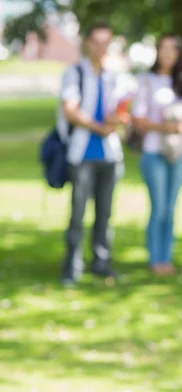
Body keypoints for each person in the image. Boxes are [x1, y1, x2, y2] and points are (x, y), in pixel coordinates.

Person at [59, 21, 128, 287]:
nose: (100, 49)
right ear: (88, 43)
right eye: (96, 43)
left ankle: (101, 262)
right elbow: (70, 110)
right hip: (82, 155)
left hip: (110, 155)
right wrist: (99, 127)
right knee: (77, 214)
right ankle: (71, 267)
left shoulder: (114, 75)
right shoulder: (74, 73)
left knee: (105, 213)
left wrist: (118, 120)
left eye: (105, 44)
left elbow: (121, 110)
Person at [132, 33, 182, 276]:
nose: (168, 53)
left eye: (173, 49)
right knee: (158, 207)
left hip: (179, 152)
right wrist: (165, 127)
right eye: (163, 48)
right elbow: (138, 119)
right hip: (153, 151)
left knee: (171, 207)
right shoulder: (146, 80)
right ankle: (155, 258)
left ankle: (166, 256)